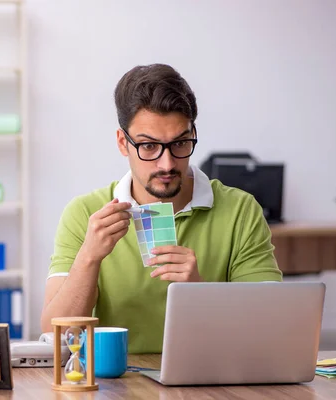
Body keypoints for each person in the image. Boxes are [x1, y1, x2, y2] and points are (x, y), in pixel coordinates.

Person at [40, 64, 283, 354]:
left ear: (193, 133)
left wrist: (200, 294)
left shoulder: (240, 211)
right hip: (117, 386)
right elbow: (57, 336)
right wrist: (89, 259)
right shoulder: (84, 213)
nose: (166, 164)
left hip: (211, 382)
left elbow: (271, 326)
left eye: (180, 143)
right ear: (123, 142)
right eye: (149, 146)